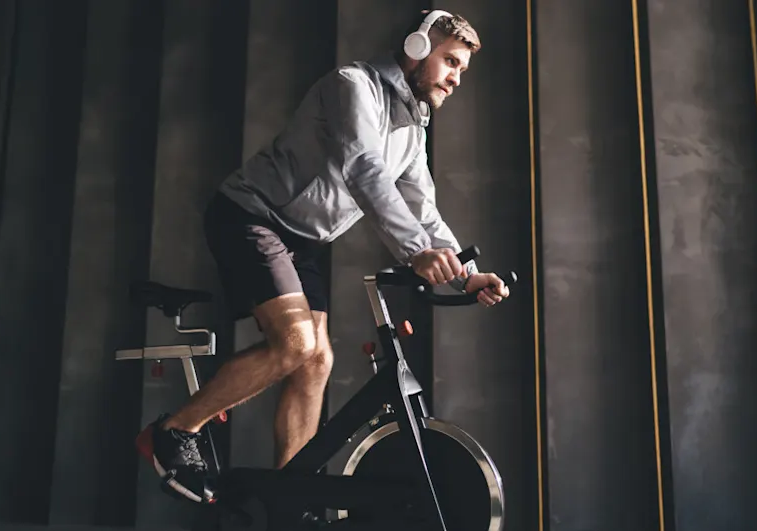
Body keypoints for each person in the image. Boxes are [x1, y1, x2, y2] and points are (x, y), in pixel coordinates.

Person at [134, 9, 510, 504]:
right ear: (417, 48)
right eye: (451, 62)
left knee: (316, 360)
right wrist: (417, 252)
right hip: (252, 216)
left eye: (462, 69)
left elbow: (424, 209)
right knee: (294, 343)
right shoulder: (353, 86)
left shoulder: (411, 131)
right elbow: (364, 170)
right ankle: (174, 431)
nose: (456, 78)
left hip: (301, 238)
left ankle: (291, 495)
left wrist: (467, 275)